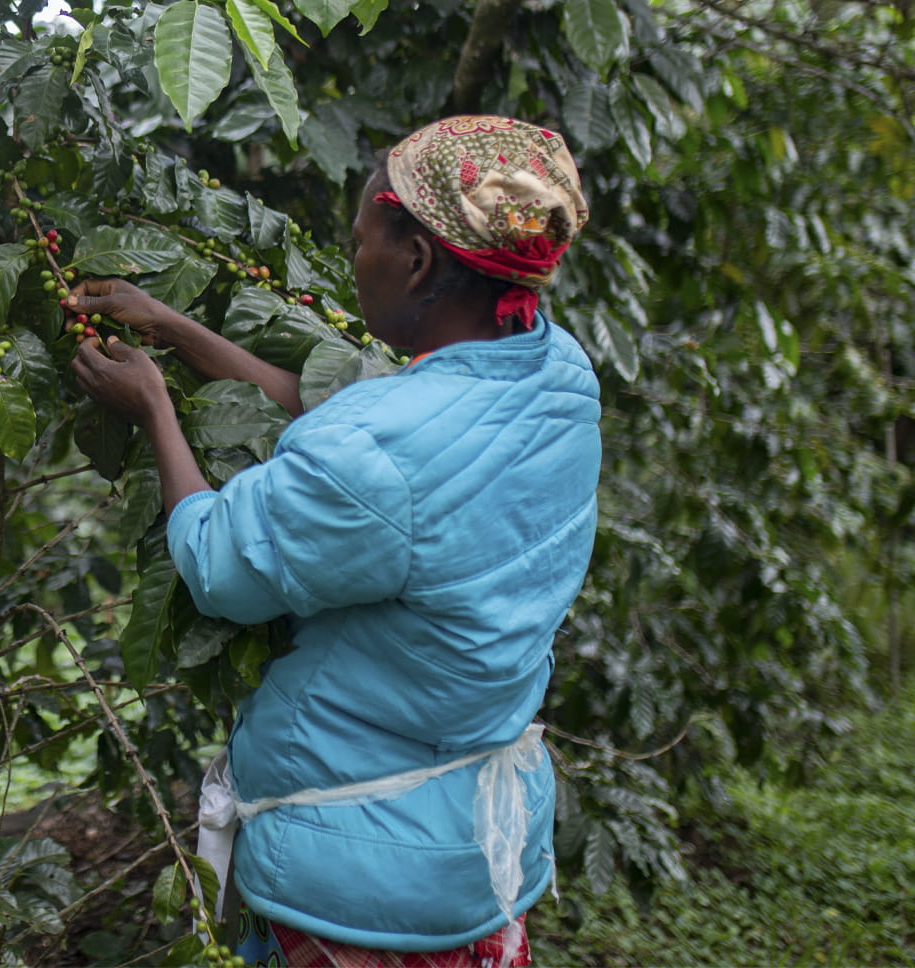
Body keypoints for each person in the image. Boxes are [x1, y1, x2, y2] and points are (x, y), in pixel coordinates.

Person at [69, 116, 600, 967]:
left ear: (419, 260)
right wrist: (174, 329)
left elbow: (217, 564)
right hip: (478, 831)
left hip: (362, 863)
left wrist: (155, 412)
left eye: (360, 242)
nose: (355, 260)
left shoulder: (378, 453)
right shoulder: (556, 370)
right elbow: (367, 421)